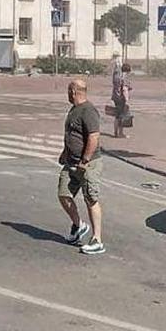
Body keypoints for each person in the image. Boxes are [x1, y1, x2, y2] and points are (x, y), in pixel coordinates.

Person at [58, 79, 105, 255]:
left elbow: (93, 137)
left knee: (90, 198)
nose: (67, 94)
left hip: (88, 163)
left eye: (68, 90)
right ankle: (78, 225)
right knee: (64, 194)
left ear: (74, 91)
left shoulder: (88, 110)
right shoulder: (74, 110)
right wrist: (65, 152)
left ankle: (97, 239)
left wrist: (84, 161)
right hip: (71, 161)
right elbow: (72, 134)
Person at [111, 63, 133, 138]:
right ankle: (120, 133)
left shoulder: (117, 76)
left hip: (115, 97)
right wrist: (127, 101)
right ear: (128, 71)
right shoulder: (124, 77)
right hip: (121, 98)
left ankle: (116, 132)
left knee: (117, 116)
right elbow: (124, 89)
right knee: (122, 116)